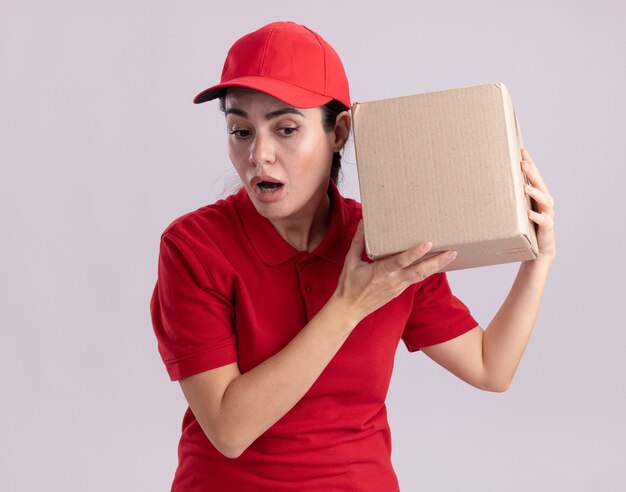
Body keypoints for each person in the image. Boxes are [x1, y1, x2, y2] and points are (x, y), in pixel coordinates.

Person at [149, 21, 556, 492]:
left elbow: (490, 367)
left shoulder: (387, 240)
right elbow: (229, 429)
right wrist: (349, 304)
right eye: (241, 130)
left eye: (285, 129)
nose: (258, 155)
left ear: (339, 132)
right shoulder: (193, 247)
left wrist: (538, 258)